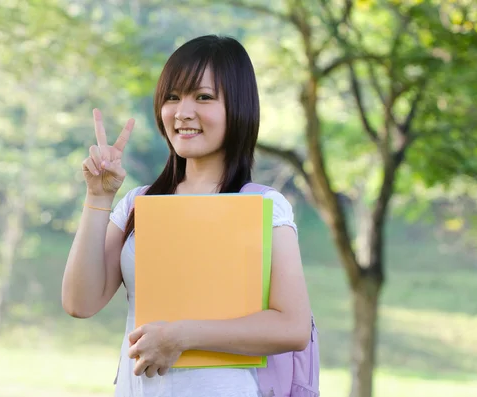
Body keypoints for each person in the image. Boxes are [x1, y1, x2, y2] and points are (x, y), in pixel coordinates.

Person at [61, 35, 312, 397]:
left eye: (204, 97)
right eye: (173, 97)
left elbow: (292, 327)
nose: (182, 112)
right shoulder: (137, 202)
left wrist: (181, 336)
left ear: (239, 107)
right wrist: (98, 196)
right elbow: (79, 303)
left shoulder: (263, 206)